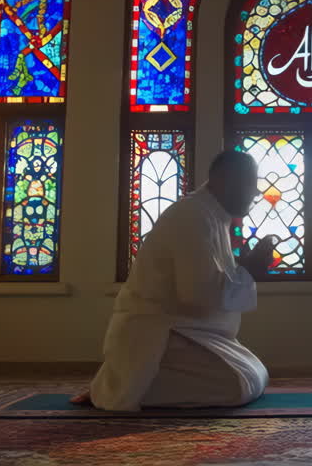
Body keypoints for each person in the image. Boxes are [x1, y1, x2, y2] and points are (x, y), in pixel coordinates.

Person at [72, 150, 276, 411]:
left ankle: (118, 381)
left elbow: (209, 284)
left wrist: (246, 270)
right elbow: (195, 296)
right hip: (160, 334)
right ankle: (123, 386)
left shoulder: (213, 217)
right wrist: (249, 272)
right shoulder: (192, 217)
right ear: (227, 181)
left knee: (255, 373)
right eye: (251, 184)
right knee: (239, 384)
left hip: (189, 333)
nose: (256, 193)